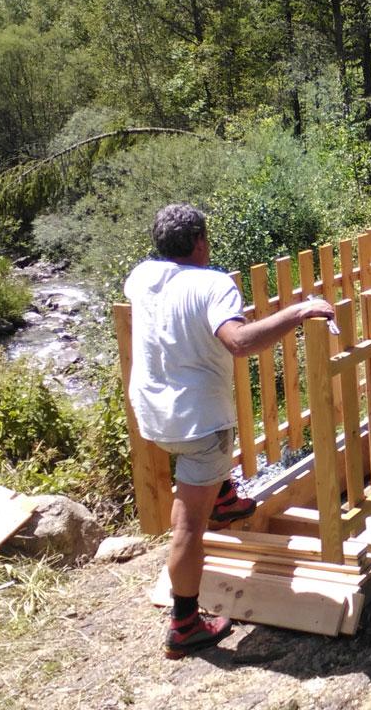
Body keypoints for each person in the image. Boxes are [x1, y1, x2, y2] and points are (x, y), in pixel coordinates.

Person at [124, 203, 336, 659]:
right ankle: (184, 624)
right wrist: (300, 312)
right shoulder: (214, 284)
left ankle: (223, 496)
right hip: (198, 422)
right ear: (200, 241)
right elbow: (238, 342)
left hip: (152, 413)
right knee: (188, 527)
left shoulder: (140, 277)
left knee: (206, 474)